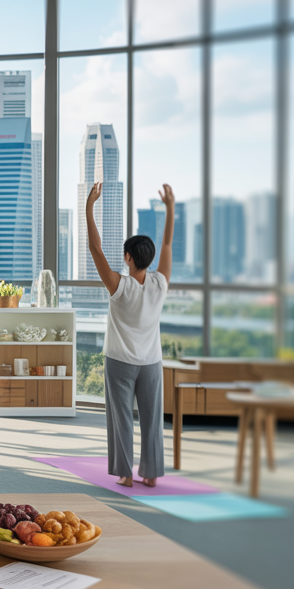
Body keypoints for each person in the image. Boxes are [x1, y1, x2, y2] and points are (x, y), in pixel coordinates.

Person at [86, 181, 173, 488]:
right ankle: (150, 474)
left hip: (120, 361)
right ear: (146, 259)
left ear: (127, 257)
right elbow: (167, 246)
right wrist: (171, 208)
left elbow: (95, 248)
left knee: (121, 419)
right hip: (151, 362)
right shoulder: (160, 284)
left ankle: (125, 473)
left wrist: (89, 206)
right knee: (152, 420)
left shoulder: (119, 287)